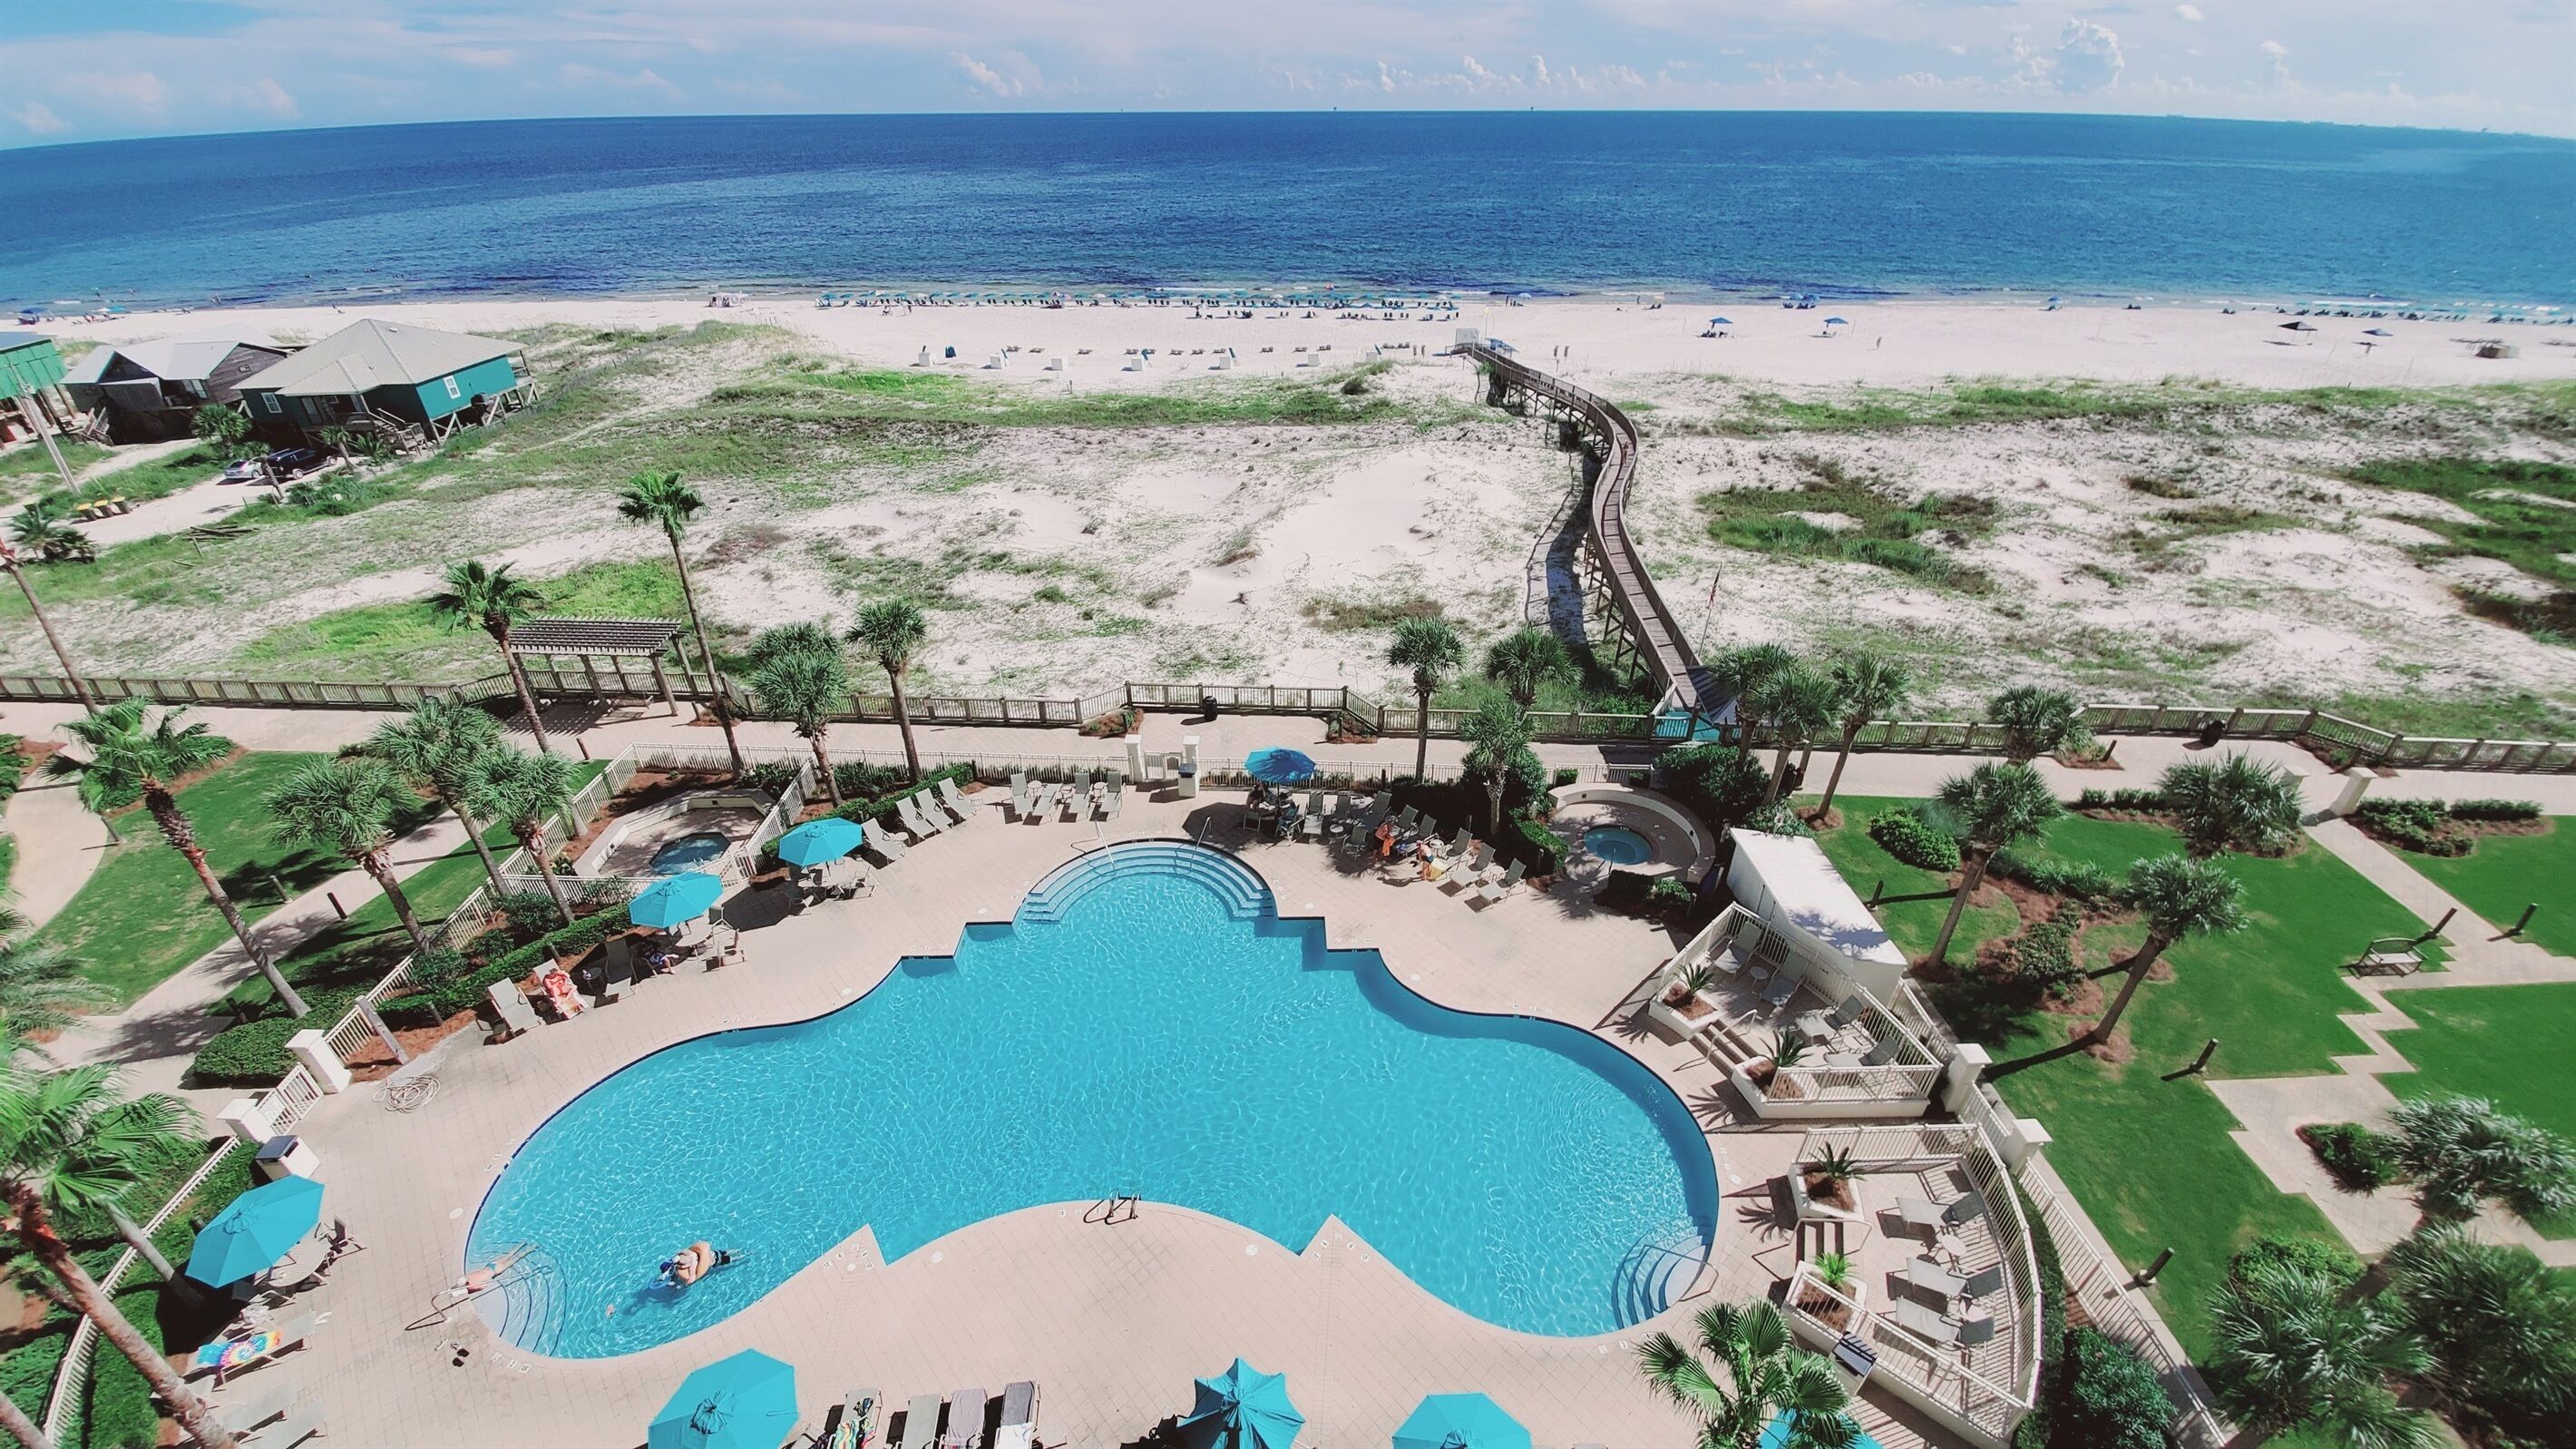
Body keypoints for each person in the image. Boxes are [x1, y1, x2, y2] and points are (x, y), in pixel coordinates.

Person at [660, 1242, 735, 1287]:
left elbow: (691, 1276)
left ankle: (738, 1255)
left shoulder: (688, 1260)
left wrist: (692, 1276)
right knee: (729, 1255)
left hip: (714, 1259)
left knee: (730, 1257)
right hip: (713, 1256)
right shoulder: (685, 1256)